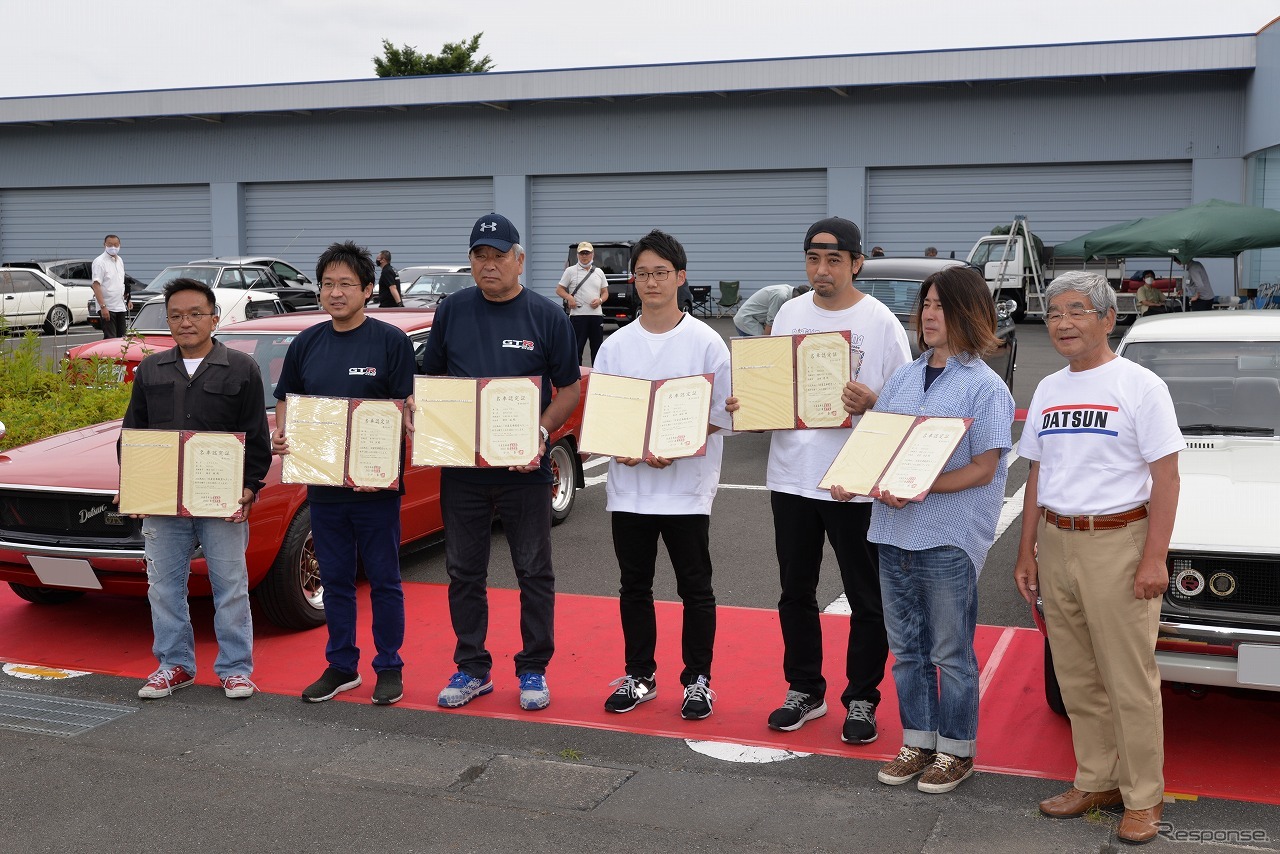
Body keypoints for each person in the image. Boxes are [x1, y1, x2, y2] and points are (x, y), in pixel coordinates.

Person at [1013, 271, 1183, 846]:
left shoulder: (1139, 386)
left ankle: (1143, 796)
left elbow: (1166, 477)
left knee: (1128, 678)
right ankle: (1097, 779)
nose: (1063, 322)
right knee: (1077, 674)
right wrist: (1027, 550)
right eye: (1055, 311)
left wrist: (1154, 558)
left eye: (1078, 310)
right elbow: (1038, 471)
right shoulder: (1048, 388)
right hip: (1057, 541)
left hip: (1119, 541)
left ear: (1109, 319)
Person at [728, 216, 912, 745]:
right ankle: (805, 689)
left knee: (865, 594)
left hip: (852, 481)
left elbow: (904, 404)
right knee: (794, 590)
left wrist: (873, 403)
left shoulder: (880, 323)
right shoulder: (789, 312)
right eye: (813, 258)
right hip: (792, 476)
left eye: (834, 260)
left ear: (856, 263)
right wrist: (752, 405)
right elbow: (769, 388)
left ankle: (862, 697)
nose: (822, 270)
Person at [831, 265, 1014, 794]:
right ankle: (918, 740)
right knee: (907, 650)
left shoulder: (985, 388)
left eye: (940, 305)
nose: (928, 315)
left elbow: (985, 467)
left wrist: (923, 487)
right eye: (926, 304)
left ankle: (956, 750)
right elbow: (881, 446)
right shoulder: (906, 377)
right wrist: (854, 479)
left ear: (969, 313)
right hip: (892, 532)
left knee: (950, 652)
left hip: (947, 537)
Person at [418, 213, 581, 712]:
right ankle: (472, 668)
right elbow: (436, 381)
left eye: (498, 255)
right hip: (464, 472)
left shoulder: (547, 316)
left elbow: (569, 390)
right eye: (480, 256)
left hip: (523, 471)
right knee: (464, 571)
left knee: (533, 570)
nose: (489, 265)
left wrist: (538, 432)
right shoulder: (452, 311)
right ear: (470, 262)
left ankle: (533, 669)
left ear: (519, 260)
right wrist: (424, 415)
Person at [594, 229, 732, 721]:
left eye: (662, 273)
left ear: (681, 277)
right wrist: (622, 445)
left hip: (686, 490)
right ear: (633, 280)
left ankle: (698, 680)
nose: (652, 282)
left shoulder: (707, 343)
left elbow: (723, 415)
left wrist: (678, 446)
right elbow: (607, 415)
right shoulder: (616, 345)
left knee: (695, 587)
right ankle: (640, 676)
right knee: (634, 586)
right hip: (630, 489)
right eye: (644, 273)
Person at [272, 241, 416, 706]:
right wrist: (283, 433)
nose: (336, 293)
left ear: (368, 290)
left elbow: (404, 408)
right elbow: (287, 399)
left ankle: (389, 666)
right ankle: (341, 666)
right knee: (334, 579)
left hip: (376, 487)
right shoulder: (307, 342)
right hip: (324, 487)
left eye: (346, 285)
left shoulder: (390, 342)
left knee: (384, 578)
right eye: (328, 284)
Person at [123, 278, 271, 701]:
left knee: (230, 585)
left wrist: (249, 486)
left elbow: (256, 437)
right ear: (167, 320)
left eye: (194, 314)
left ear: (214, 318)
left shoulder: (242, 368)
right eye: (176, 315)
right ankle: (175, 665)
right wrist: (132, 486)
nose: (185, 322)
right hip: (163, 500)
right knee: (164, 586)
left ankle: (235, 669)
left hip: (220, 497)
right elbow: (134, 431)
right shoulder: (152, 368)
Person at [556, 242, 609, 365]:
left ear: (592, 254)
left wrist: (600, 300)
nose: (584, 256)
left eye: (587, 253)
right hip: (578, 315)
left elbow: (605, 292)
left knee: (597, 348)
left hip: (596, 316)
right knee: (577, 348)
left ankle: (597, 374)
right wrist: (569, 297)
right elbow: (559, 289)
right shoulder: (570, 271)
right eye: (582, 253)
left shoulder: (599, 272)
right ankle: (577, 376)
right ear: (578, 254)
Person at [732, 284, 811, 337]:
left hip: (756, 320)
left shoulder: (790, 291)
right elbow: (771, 322)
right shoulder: (781, 296)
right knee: (760, 349)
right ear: (798, 296)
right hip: (746, 321)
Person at [92, 234, 128, 339]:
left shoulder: (120, 260)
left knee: (122, 338)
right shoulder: (99, 262)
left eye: (116, 245)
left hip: (120, 306)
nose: (113, 247)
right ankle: (108, 356)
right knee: (110, 339)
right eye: (110, 244)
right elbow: (96, 285)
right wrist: (103, 307)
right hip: (108, 306)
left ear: (120, 245)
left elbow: (120, 281)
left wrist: (127, 298)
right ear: (104, 245)